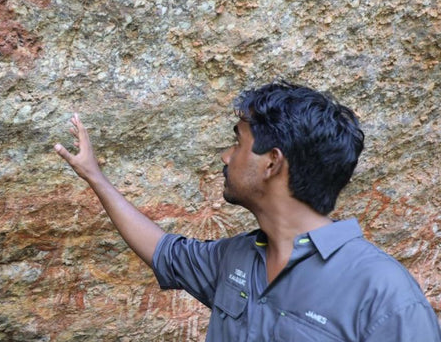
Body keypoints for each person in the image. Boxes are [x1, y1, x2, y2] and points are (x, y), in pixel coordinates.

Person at [54, 81, 441, 341]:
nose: (225, 156)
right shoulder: (236, 258)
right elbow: (163, 251)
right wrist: (95, 178)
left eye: (237, 143)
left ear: (272, 163)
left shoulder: (385, 295)